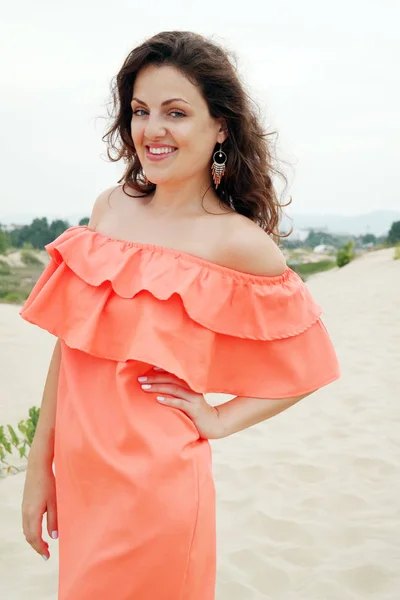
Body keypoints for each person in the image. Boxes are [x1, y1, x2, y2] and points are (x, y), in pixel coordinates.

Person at [19, 30, 340, 600]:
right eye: (141, 111)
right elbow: (70, 348)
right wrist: (39, 467)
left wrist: (218, 420)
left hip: (156, 489)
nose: (152, 129)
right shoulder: (110, 208)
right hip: (83, 478)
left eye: (176, 112)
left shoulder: (237, 243)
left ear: (220, 127)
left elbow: (309, 365)